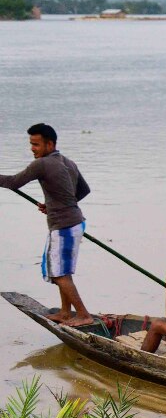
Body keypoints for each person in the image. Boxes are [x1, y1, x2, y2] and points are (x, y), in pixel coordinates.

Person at [0, 123, 93, 325]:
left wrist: (59, 206)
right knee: (63, 271)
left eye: (36, 144)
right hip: (75, 223)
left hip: (63, 227)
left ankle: (84, 315)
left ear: (50, 144)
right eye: (31, 144)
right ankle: (65, 313)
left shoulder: (42, 164)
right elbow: (83, 191)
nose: (32, 148)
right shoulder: (68, 162)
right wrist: (57, 204)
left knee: (59, 274)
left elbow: (14, 182)